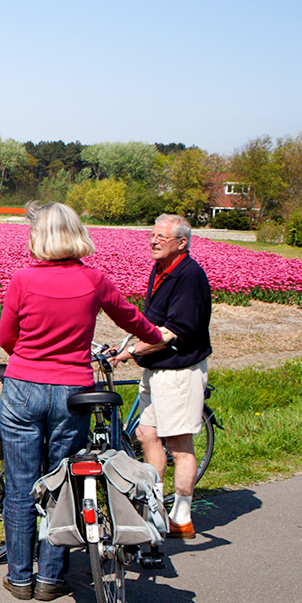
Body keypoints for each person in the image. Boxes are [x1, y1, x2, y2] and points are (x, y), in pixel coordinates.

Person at [0, 201, 171, 602]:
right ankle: (50, 579)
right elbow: (133, 321)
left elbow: (6, 339)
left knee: (20, 485)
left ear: (38, 237)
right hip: (73, 392)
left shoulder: (22, 279)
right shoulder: (95, 280)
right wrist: (157, 335)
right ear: (76, 233)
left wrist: (30, 352)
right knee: (62, 483)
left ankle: (20, 577)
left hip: (23, 386)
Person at [116, 213, 212, 542]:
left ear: (181, 243)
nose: (154, 241)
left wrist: (133, 352)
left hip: (179, 371)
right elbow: (152, 320)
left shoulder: (189, 276)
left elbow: (174, 331)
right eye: (152, 235)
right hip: (155, 368)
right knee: (146, 434)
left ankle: (182, 516)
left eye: (161, 237)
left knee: (179, 444)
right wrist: (128, 343)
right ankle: (154, 507)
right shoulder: (161, 269)